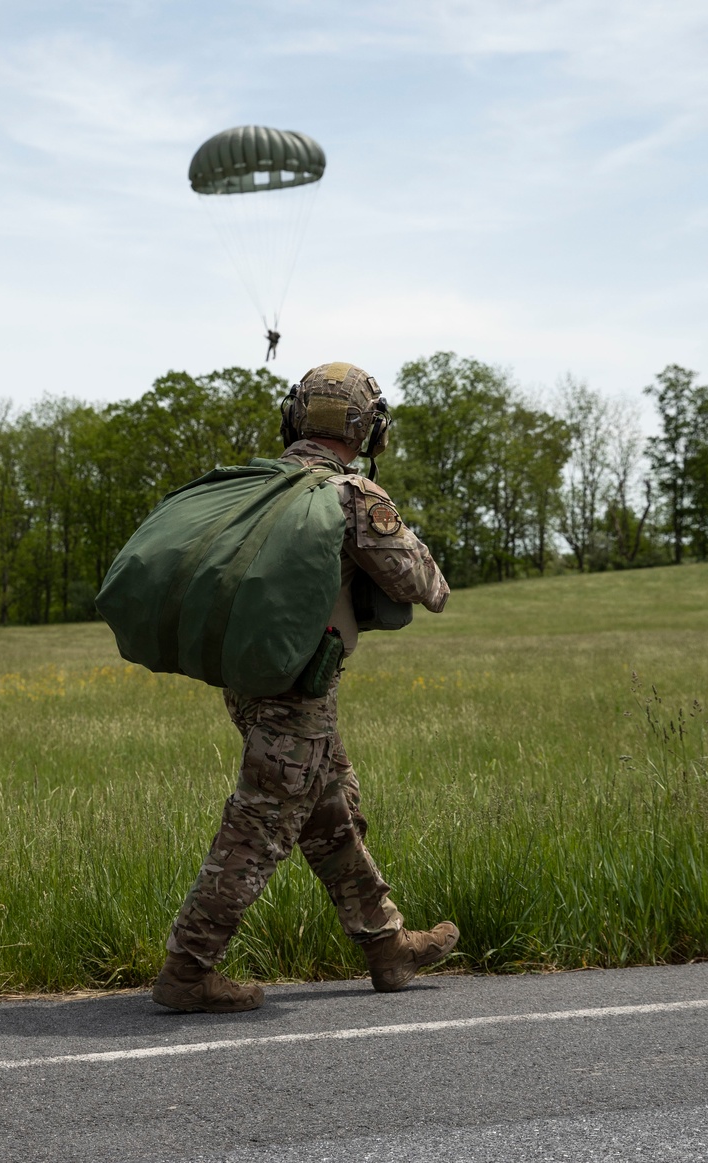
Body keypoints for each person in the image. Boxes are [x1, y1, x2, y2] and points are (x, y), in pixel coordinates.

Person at [152, 361, 458, 1014]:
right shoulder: (349, 495)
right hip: (297, 693)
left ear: (294, 419)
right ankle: (188, 967)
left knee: (331, 811)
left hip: (245, 683)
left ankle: (388, 946)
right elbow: (427, 588)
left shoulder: (254, 489)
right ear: (369, 430)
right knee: (260, 825)